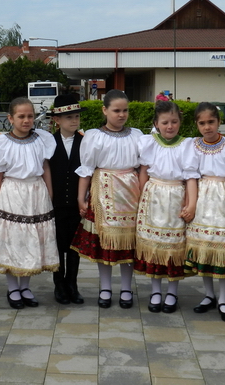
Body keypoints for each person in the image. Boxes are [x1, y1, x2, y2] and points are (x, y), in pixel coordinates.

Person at [0, 97, 59, 309]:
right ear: (10, 118)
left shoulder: (42, 139)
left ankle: (25, 287)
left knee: (31, 240)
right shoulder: (1, 143)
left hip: (36, 192)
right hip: (12, 193)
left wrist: (49, 194)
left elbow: (45, 168)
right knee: (14, 240)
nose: (26, 120)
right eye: (21, 116)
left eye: (30, 116)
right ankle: (12, 288)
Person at [71, 90, 142, 309]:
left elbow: (143, 167)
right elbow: (86, 169)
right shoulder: (94, 136)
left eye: (125, 110)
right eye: (116, 110)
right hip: (103, 192)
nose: (121, 115)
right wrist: (81, 197)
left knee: (128, 242)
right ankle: (105, 287)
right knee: (105, 242)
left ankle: (127, 288)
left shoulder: (137, 135)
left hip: (131, 192)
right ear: (105, 110)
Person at [135, 101, 199, 313]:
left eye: (174, 122)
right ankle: (155, 290)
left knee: (174, 247)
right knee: (154, 246)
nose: (170, 126)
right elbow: (144, 171)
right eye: (165, 122)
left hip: (176, 197)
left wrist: (191, 204)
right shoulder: (149, 143)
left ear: (180, 122)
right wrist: (142, 196)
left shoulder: (187, 145)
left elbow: (191, 177)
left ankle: (172, 291)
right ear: (156, 124)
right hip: (153, 196)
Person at [184, 102, 225, 322]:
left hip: (223, 199)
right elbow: (191, 175)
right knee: (204, 247)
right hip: (201, 198)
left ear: (219, 122)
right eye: (202, 123)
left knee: (222, 249)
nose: (207, 127)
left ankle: (224, 299)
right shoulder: (193, 146)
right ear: (196, 125)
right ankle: (209, 295)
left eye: (211, 122)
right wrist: (191, 204)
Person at [49, 95, 84, 305]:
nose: (74, 120)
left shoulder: (84, 141)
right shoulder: (49, 142)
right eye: (69, 117)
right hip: (56, 202)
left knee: (74, 246)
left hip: (76, 204)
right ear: (57, 120)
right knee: (57, 245)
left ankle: (72, 284)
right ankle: (59, 285)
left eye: (76, 116)